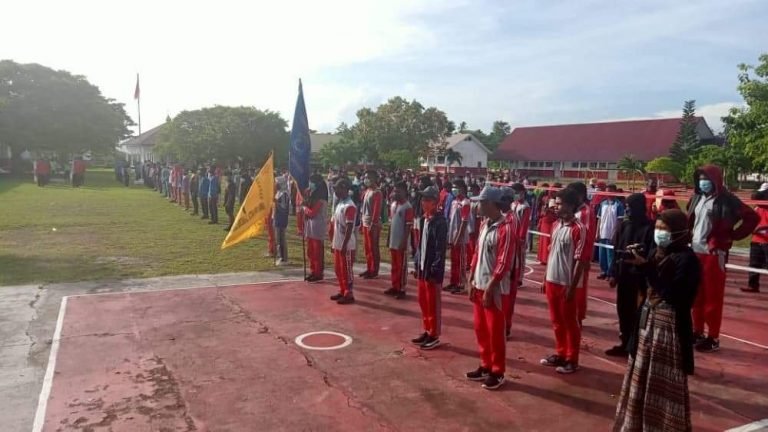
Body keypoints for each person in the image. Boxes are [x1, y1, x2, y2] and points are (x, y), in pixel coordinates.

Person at [613, 209, 700, 432]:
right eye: (658, 228)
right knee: (640, 374)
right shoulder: (656, 253)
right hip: (647, 322)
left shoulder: (687, 260)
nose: (659, 233)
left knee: (663, 381)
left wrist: (647, 268)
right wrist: (638, 264)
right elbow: (647, 287)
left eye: (665, 229)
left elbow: (673, 295)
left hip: (668, 328)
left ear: (679, 232)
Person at [686, 164, 758, 352]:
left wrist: (731, 236)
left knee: (712, 296)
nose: (703, 182)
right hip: (694, 251)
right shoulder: (696, 198)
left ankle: (713, 337)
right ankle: (697, 331)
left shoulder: (727, 200)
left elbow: (752, 217)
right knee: (696, 294)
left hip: (713, 254)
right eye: (700, 179)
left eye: (706, 179)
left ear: (715, 180)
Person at [466, 187, 517, 390]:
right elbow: (477, 254)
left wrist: (490, 287)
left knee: (495, 331)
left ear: (490, 204)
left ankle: (497, 371)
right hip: (479, 284)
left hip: (494, 289)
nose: (477, 206)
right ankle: (485, 364)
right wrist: (470, 279)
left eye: (480, 202)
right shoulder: (485, 224)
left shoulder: (506, 228)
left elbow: (504, 263)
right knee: (480, 329)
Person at [540, 188, 587, 374]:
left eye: (559, 204)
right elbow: (551, 253)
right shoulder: (556, 226)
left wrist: (572, 286)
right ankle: (560, 352)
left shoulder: (579, 229)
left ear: (570, 205)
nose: (556, 207)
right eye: (556, 204)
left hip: (566, 284)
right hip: (552, 280)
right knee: (556, 320)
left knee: (570, 322)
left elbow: (581, 261)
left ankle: (572, 358)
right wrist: (545, 277)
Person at [605, 193, 655, 357]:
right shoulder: (623, 226)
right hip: (624, 274)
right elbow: (616, 251)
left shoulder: (650, 228)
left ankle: (637, 345)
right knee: (623, 310)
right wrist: (613, 273)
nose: (627, 210)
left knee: (639, 312)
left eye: (630, 207)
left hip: (641, 277)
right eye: (626, 207)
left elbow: (651, 253)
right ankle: (625, 341)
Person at [412, 185, 447, 350]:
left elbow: (440, 249)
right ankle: (427, 329)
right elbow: (420, 245)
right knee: (423, 301)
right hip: (422, 267)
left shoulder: (440, 222)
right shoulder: (423, 219)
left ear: (434, 202)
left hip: (432, 269)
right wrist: (417, 262)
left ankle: (434, 334)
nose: (423, 203)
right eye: (422, 199)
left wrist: (435, 268)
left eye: (427, 200)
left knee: (433, 302)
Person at [568, 182, 595, 327]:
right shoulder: (573, 211)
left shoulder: (585, 212)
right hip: (569, 255)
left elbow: (588, 237)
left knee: (578, 287)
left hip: (580, 257)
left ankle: (578, 316)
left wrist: (585, 258)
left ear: (580, 195)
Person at [329, 178, 357, 305]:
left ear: (344, 188)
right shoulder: (340, 203)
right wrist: (334, 243)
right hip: (338, 243)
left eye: (337, 188)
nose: (335, 190)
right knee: (338, 269)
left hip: (347, 245)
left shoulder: (349, 206)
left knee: (346, 270)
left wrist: (344, 244)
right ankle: (342, 290)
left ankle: (349, 293)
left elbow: (350, 227)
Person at [386, 181, 414, 299]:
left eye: (398, 191)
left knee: (402, 266)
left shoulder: (407, 207)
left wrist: (404, 241)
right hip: (393, 240)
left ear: (404, 191)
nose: (395, 193)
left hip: (401, 242)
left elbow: (408, 226)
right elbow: (391, 223)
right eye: (394, 190)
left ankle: (401, 288)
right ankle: (394, 285)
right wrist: (388, 238)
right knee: (394, 265)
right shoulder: (393, 205)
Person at [445, 180, 471, 295]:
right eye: (453, 187)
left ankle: (461, 284)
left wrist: (458, 237)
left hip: (460, 237)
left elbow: (464, 222)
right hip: (452, 235)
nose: (454, 189)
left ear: (462, 188)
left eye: (456, 187)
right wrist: (449, 237)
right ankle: (453, 282)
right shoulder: (454, 202)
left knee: (460, 262)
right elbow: (451, 220)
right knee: (453, 261)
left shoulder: (465, 203)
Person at [302, 174, 329, 282]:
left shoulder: (321, 198)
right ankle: (312, 271)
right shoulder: (313, 196)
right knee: (310, 251)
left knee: (317, 252)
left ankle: (318, 272)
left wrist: (304, 208)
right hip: (310, 227)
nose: (310, 184)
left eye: (311, 182)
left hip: (317, 227)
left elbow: (312, 213)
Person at [596, 184, 624, 280]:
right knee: (601, 254)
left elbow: (619, 221)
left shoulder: (619, 205)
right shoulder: (602, 203)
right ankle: (604, 271)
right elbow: (599, 219)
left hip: (611, 233)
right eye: (607, 191)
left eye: (610, 191)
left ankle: (610, 273)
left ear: (615, 192)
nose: (608, 193)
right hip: (602, 232)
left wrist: (614, 234)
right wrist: (597, 232)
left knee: (610, 255)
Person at [744, 186, 768, 293]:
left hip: (766, 241)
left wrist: (761, 228)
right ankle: (753, 285)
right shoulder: (757, 208)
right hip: (756, 240)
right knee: (754, 263)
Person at [360, 170, 383, 279]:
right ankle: (369, 267)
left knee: (373, 247)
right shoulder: (367, 190)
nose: (366, 179)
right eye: (365, 177)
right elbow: (363, 208)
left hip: (372, 223)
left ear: (374, 178)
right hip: (365, 221)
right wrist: (361, 222)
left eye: (368, 177)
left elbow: (376, 210)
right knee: (367, 247)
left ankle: (374, 269)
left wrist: (373, 224)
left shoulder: (377, 192)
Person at [509, 183, 531, 287]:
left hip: (520, 236)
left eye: (517, 192)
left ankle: (519, 278)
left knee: (520, 257)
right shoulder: (513, 204)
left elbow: (525, 223)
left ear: (523, 193)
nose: (516, 194)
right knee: (512, 257)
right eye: (514, 193)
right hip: (512, 234)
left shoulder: (525, 207)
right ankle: (513, 274)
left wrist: (521, 237)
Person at [537, 189, 557, 265]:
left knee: (545, 240)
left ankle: (543, 258)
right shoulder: (551, 200)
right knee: (547, 240)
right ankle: (545, 258)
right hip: (548, 221)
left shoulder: (545, 198)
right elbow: (551, 210)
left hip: (546, 220)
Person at [274, 177, 290, 265]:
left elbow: (283, 208)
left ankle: (284, 258)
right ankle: (280, 256)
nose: (276, 184)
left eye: (277, 183)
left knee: (281, 239)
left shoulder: (284, 194)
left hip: (281, 220)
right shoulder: (278, 193)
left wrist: (276, 203)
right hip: (277, 218)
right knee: (278, 239)